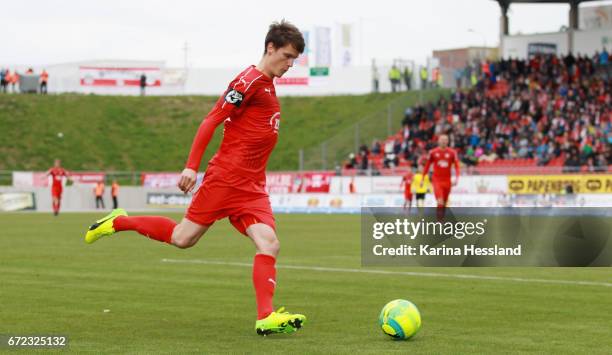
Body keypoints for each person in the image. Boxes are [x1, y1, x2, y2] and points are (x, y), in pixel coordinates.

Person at [84, 20, 306, 336]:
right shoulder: (248, 81)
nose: (290, 64)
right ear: (270, 47)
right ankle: (119, 221)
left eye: (294, 59)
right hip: (225, 179)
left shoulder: (267, 83)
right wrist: (191, 166)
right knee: (182, 238)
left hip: (252, 186)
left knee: (269, 243)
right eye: (286, 56)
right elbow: (211, 120)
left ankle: (265, 317)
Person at [421, 134, 460, 220]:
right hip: (437, 180)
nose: (443, 141)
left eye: (445, 139)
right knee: (440, 201)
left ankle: (441, 219)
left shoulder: (452, 153)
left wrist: (457, 178)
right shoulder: (433, 152)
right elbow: (427, 165)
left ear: (448, 141)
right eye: (442, 139)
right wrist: (422, 178)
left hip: (447, 181)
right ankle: (439, 222)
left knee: (444, 203)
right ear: (438, 141)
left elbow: (457, 166)